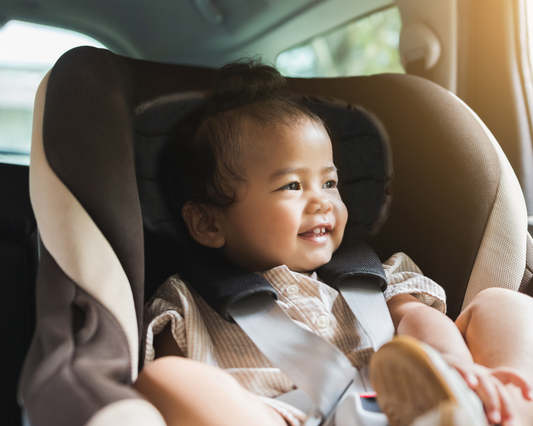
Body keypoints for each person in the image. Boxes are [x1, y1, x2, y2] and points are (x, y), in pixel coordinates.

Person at [133, 59, 533, 426]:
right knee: (166, 377)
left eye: (329, 182)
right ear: (206, 221)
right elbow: (185, 386)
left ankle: (498, 406)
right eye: (292, 185)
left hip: (418, 403)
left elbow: (417, 317)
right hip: (289, 415)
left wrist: (451, 365)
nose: (322, 201)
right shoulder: (184, 303)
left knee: (502, 304)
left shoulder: (376, 275)